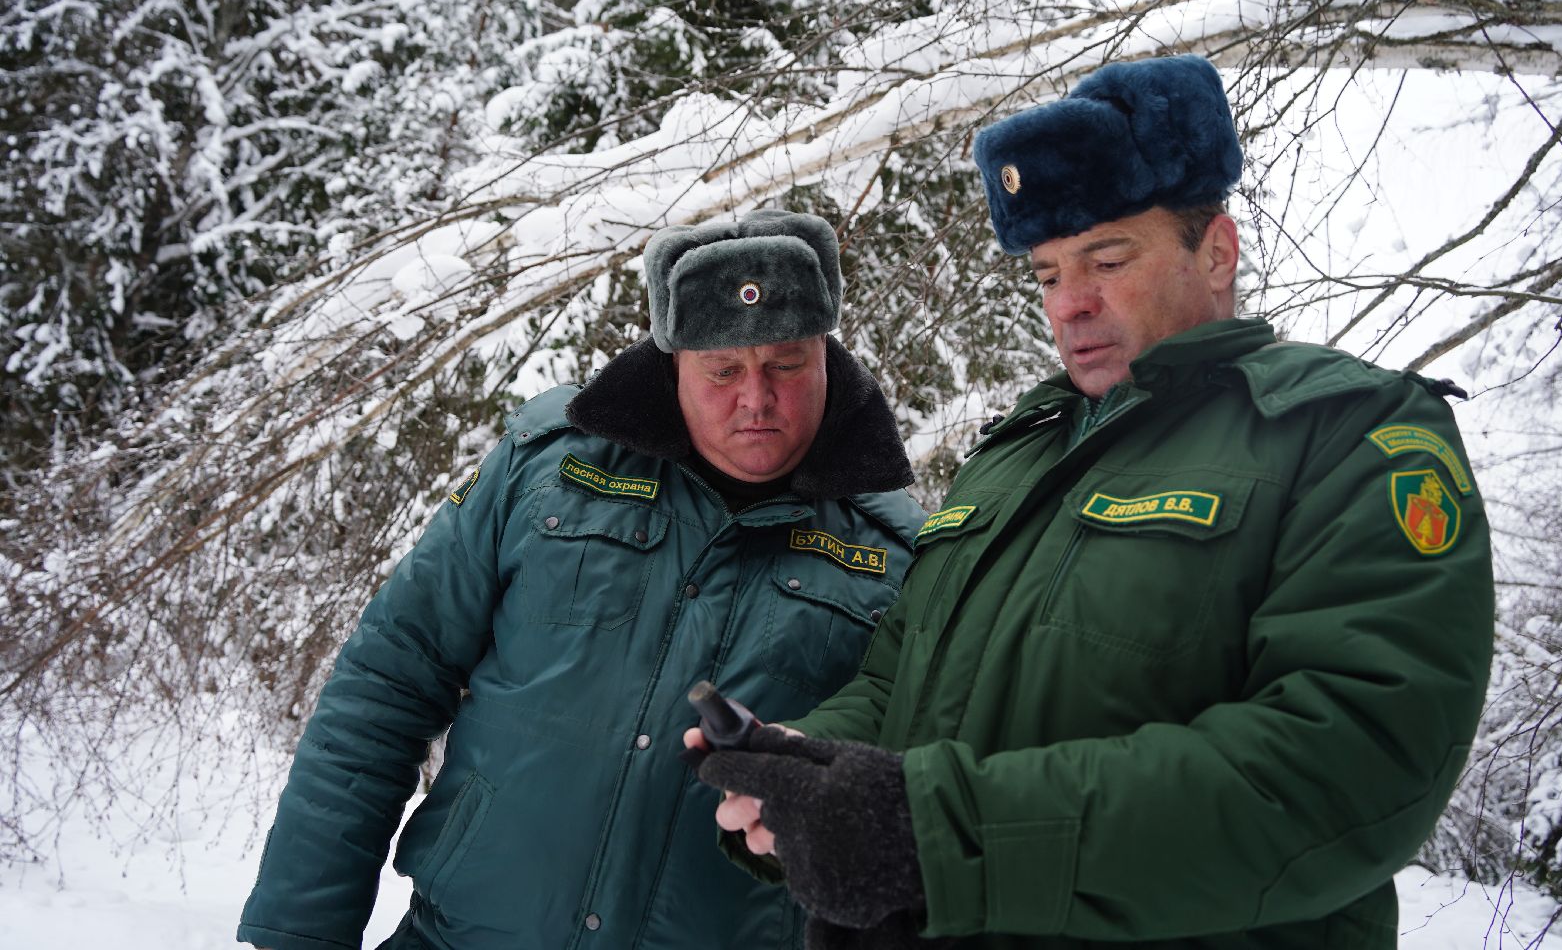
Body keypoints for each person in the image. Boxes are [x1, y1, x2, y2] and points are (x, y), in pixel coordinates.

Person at [691, 56, 1496, 949]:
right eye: (1045, 275)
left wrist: (935, 837)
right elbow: (897, 686)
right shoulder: (1015, 454)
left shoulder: (1348, 432)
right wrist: (809, 776)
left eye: (1107, 260)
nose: (1070, 304)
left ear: (1216, 251)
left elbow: (1351, 765)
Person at [238, 210, 925, 950]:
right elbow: (387, 683)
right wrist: (297, 931)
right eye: (722, 369)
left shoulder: (897, 556)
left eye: (785, 364)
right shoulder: (547, 469)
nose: (755, 399)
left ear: (826, 355)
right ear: (673, 365)